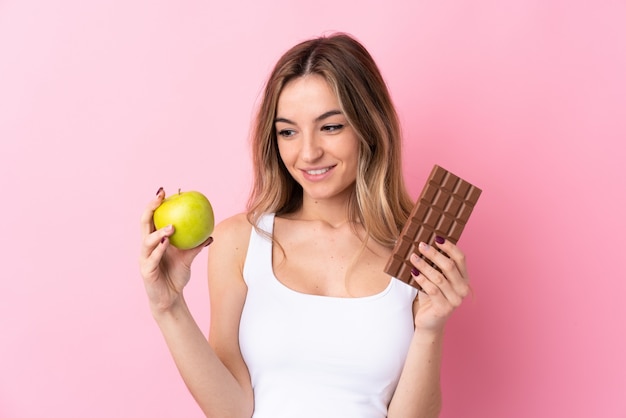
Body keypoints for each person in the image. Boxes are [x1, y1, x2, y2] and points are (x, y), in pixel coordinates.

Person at [139, 32, 471, 418]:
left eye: (331, 127)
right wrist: (168, 306)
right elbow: (231, 410)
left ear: (369, 127)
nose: (308, 152)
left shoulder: (417, 253)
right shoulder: (240, 242)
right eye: (288, 131)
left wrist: (431, 328)